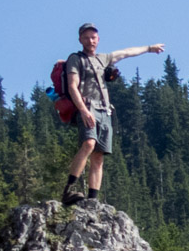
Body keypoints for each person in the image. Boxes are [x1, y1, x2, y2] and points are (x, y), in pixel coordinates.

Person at [62, 22, 165, 205]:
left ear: (98, 39)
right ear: (80, 40)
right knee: (89, 144)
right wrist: (83, 111)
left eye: (93, 37)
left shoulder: (104, 58)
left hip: (105, 110)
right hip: (88, 108)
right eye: (86, 37)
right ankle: (69, 189)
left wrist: (149, 48)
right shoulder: (75, 59)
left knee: (99, 156)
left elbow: (126, 52)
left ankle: (92, 200)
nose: (90, 40)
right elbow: (72, 87)